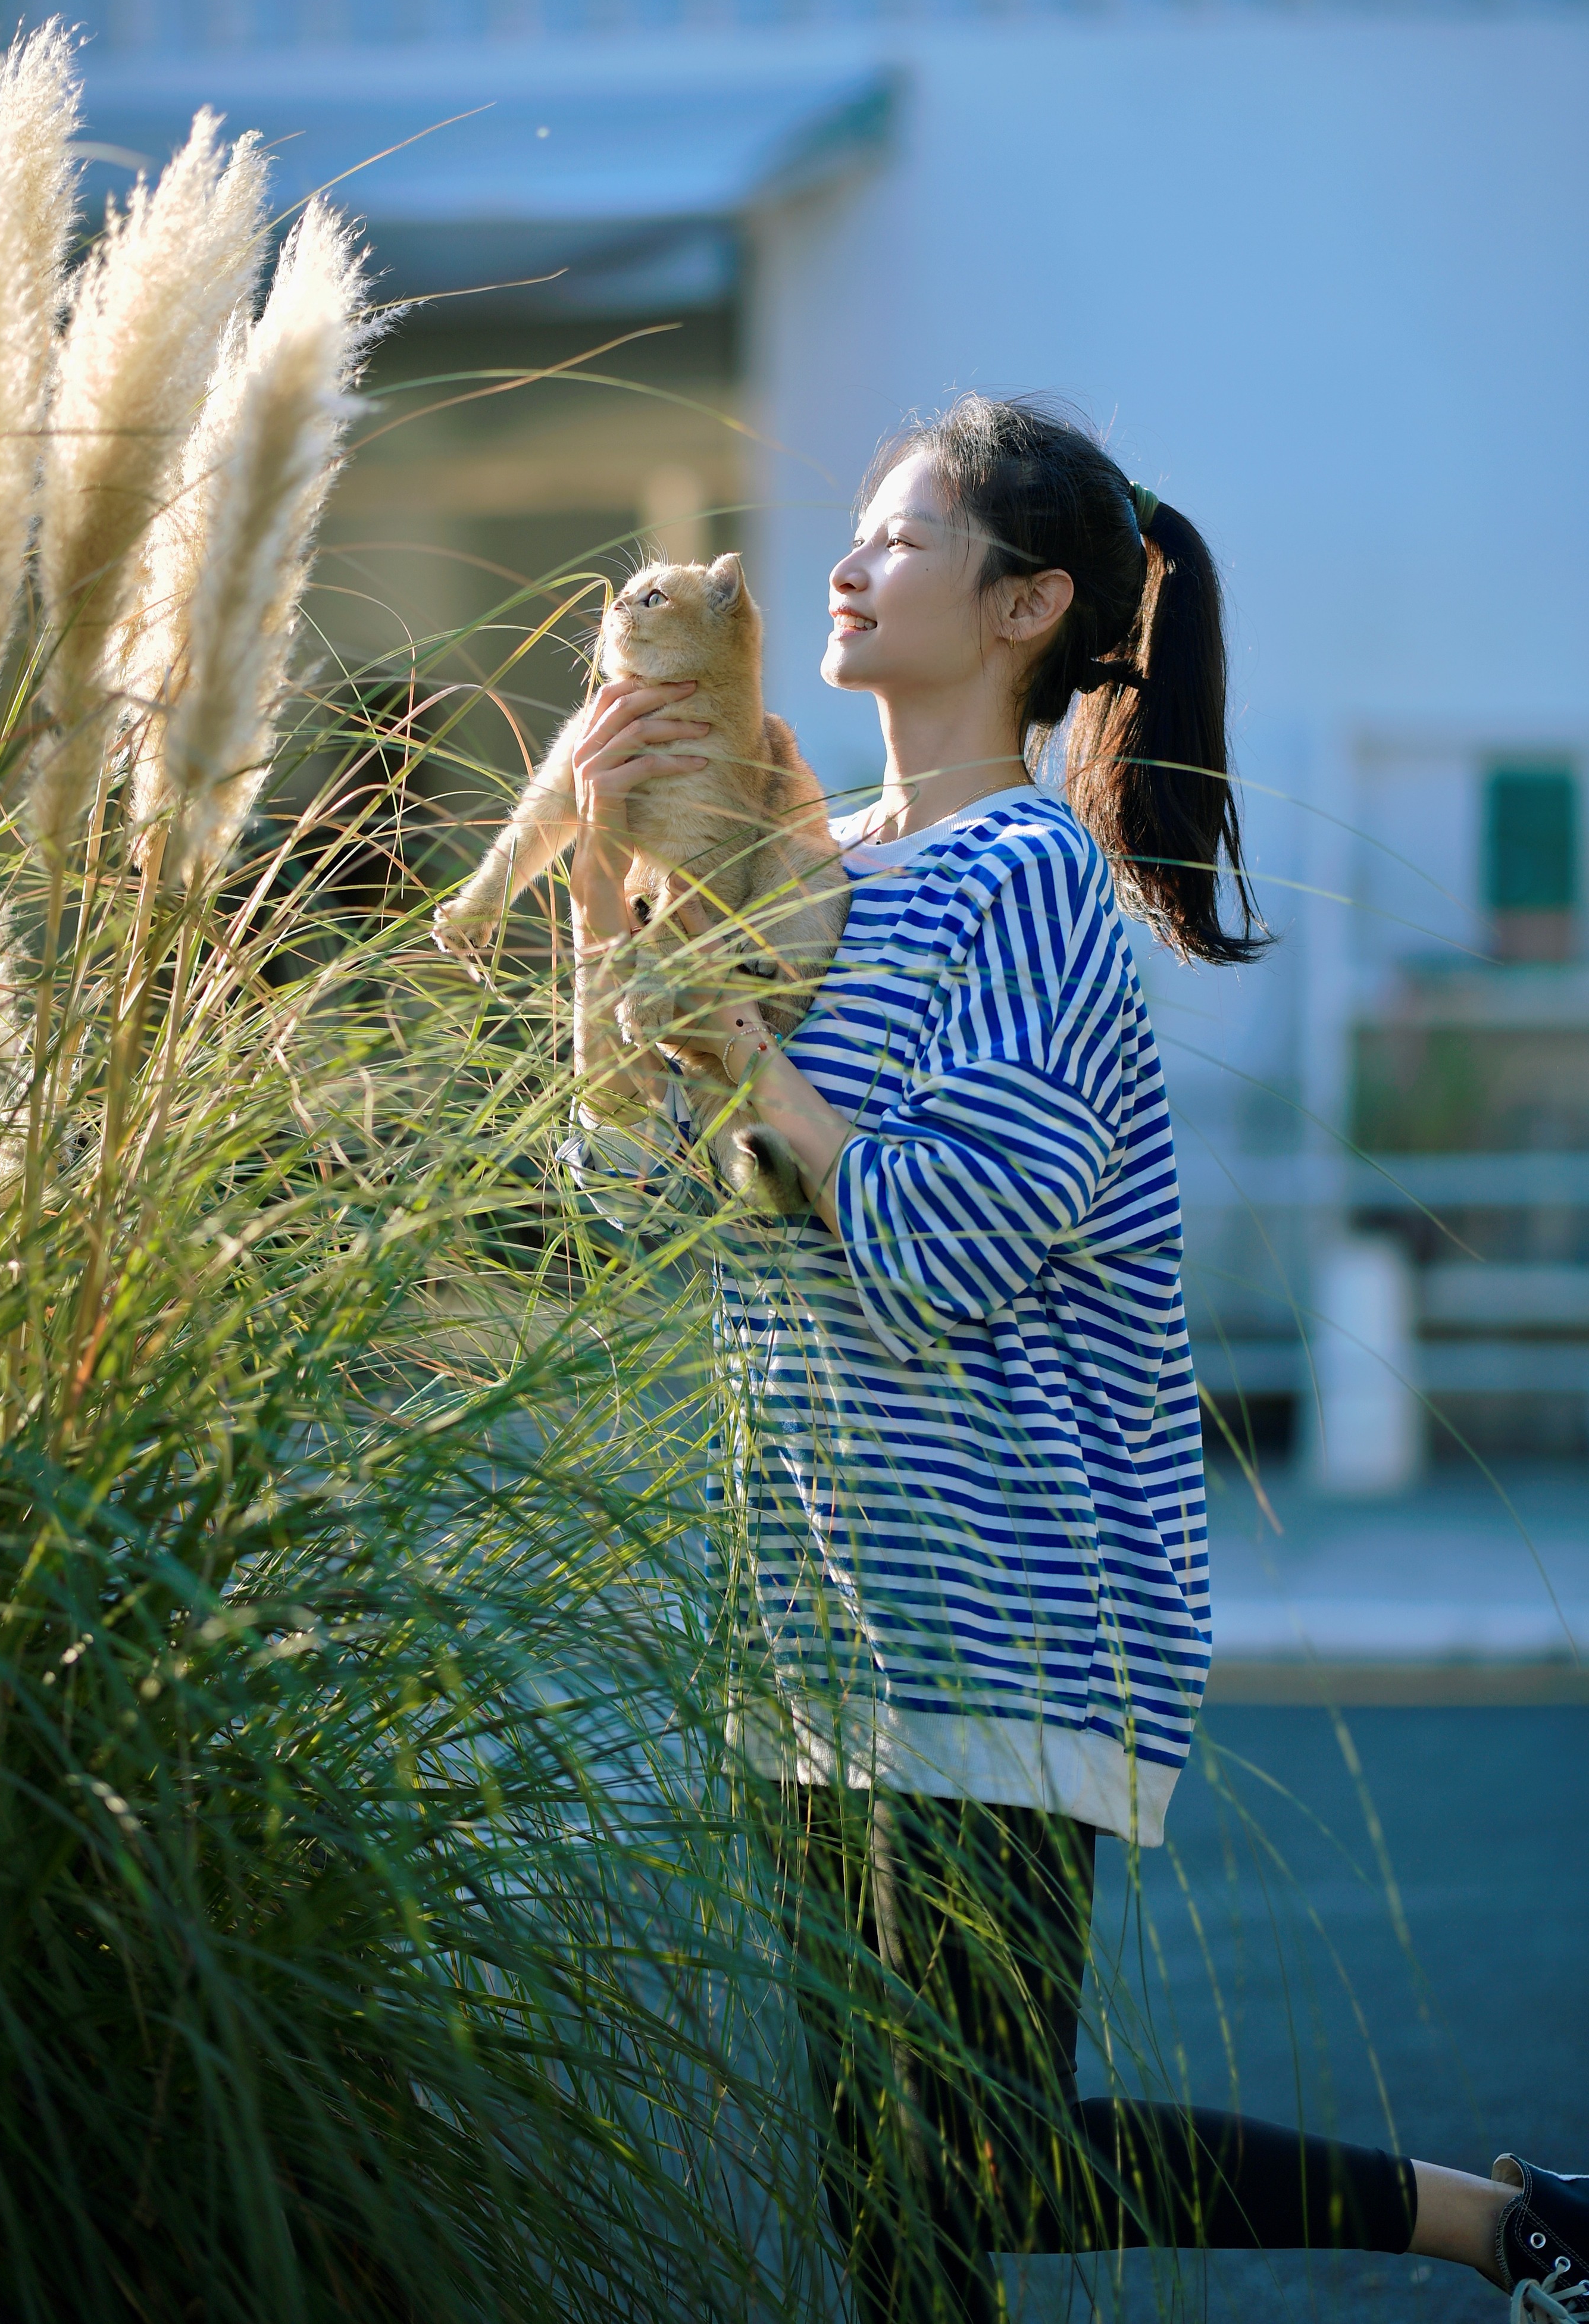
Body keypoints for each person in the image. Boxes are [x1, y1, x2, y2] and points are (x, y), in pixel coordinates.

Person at [562, 395, 1585, 2322]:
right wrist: (596, 899)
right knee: (889, 2200)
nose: (844, 566)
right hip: (814, 1609)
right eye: (854, 532)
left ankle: (1503, 2225)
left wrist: (752, 1064)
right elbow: (623, 1206)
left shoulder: (1027, 880)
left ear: (1027, 605)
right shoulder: (798, 855)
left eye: (901, 538)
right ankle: (1523, 2226)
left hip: (1000, 1611)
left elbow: (951, 1248)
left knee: (977, 2153)